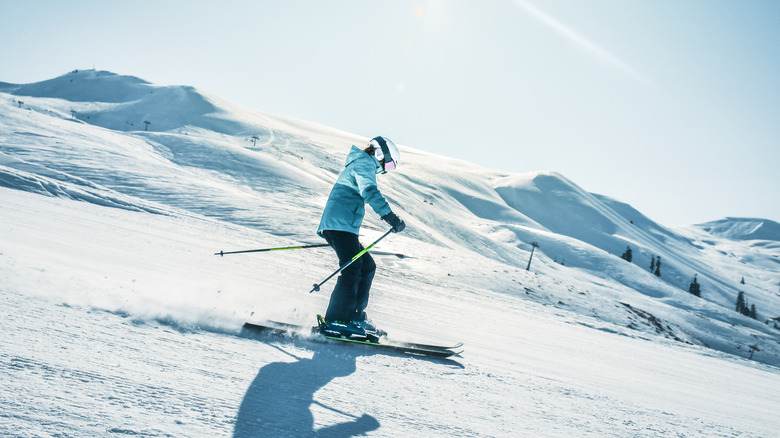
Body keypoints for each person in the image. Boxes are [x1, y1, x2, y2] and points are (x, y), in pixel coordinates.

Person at [316, 136, 405, 339]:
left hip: (344, 226)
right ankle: (337, 320)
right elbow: (370, 192)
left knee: (366, 266)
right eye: (389, 165)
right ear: (382, 155)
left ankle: (355, 317)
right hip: (340, 225)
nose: (386, 170)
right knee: (353, 269)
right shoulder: (364, 163)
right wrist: (390, 216)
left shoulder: (362, 163)